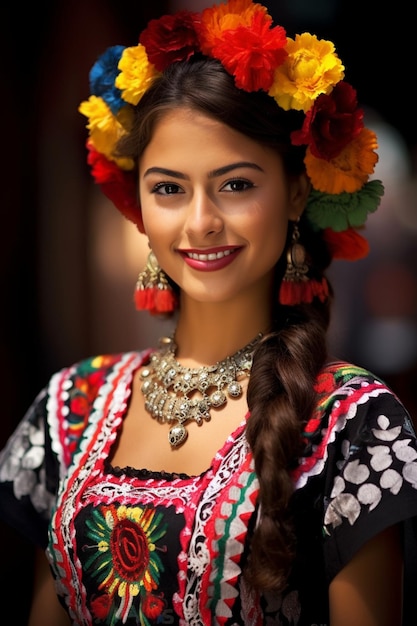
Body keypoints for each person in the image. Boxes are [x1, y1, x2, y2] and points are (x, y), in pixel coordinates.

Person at [1, 1, 417, 624]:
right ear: (137, 198)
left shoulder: (354, 424)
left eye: (236, 184)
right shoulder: (68, 409)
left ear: (297, 189)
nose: (200, 222)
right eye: (169, 188)